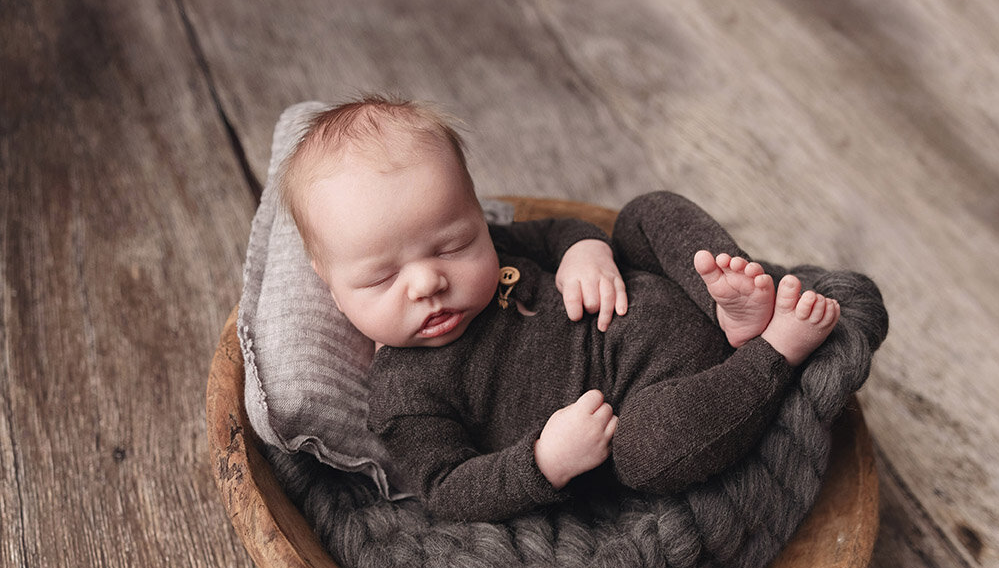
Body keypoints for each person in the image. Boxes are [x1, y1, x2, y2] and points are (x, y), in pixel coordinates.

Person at [279, 96, 840, 523]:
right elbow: (448, 489)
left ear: (477, 215)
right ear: (332, 288)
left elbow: (556, 231)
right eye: (382, 276)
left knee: (647, 212)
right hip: (655, 393)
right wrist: (546, 460)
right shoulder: (406, 393)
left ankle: (732, 307)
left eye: (453, 245)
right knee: (648, 454)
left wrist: (583, 251)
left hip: (660, 293)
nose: (428, 281)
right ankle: (772, 354)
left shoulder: (497, 241)